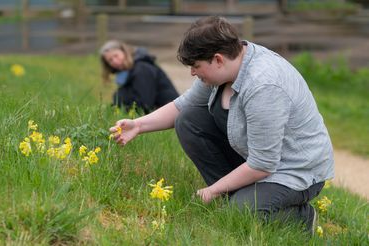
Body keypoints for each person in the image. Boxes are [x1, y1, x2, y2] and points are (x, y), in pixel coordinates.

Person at [109, 16, 334, 234]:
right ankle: (236, 196)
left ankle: (302, 218)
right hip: (258, 159)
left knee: (240, 213)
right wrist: (138, 125)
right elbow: (182, 105)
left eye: (196, 66)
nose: (192, 72)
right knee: (188, 120)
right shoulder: (229, 65)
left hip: (294, 171)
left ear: (217, 59)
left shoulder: (263, 85)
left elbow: (263, 164)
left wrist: (212, 190)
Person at [100, 40, 179, 114]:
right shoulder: (128, 71)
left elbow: (145, 104)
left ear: (124, 52)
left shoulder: (142, 69)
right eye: (110, 60)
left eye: (116, 56)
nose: (115, 61)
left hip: (169, 114)